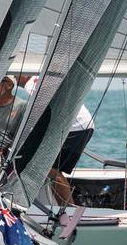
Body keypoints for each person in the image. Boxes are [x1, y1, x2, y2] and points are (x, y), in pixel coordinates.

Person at [17, 74, 95, 205]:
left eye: (15, 75)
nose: (14, 77)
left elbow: (45, 108)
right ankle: (64, 208)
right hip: (78, 125)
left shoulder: (31, 84)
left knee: (52, 169)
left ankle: (68, 208)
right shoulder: (39, 79)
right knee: (50, 168)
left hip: (76, 127)